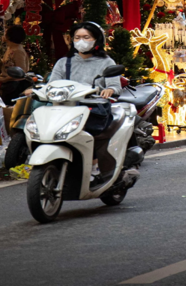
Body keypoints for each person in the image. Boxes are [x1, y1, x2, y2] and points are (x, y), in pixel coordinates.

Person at [44, 22, 127, 185]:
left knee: (88, 131)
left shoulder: (106, 62)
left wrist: (109, 90)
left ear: (97, 40)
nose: (81, 41)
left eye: (86, 37)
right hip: (65, 107)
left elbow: (115, 86)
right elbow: (52, 84)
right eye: (77, 37)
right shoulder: (63, 62)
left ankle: (94, 167)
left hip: (93, 108)